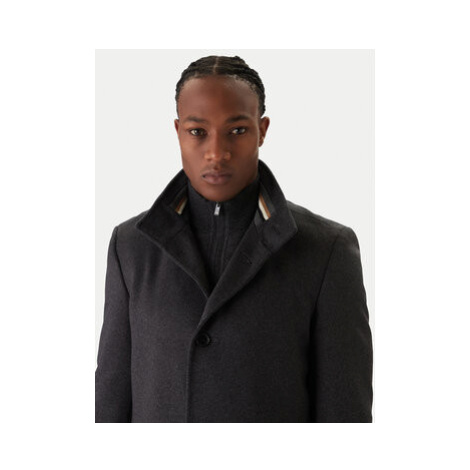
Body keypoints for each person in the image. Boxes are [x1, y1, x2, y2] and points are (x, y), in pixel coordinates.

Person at [95, 55, 373, 423]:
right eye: (198, 131)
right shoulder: (130, 247)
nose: (217, 153)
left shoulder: (325, 250)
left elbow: (345, 411)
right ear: (178, 131)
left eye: (238, 130)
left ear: (262, 130)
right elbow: (111, 398)